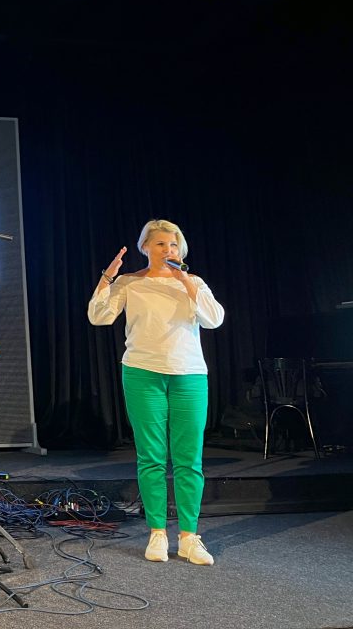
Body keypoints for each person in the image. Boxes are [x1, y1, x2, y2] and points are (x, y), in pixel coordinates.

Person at [88, 219, 225, 566]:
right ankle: (157, 533)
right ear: (145, 247)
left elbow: (214, 319)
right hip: (142, 372)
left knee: (189, 459)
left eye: (174, 245)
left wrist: (187, 283)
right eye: (161, 244)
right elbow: (99, 316)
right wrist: (107, 278)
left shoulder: (194, 282)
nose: (168, 250)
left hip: (189, 374)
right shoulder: (130, 282)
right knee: (151, 456)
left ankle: (189, 537)